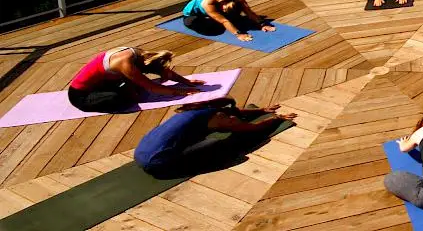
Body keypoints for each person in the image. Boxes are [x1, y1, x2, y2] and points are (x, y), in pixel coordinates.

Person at [133, 97, 296, 178]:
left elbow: (238, 113)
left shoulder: (197, 111)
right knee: (216, 144)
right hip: (158, 165)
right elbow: (250, 128)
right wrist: (277, 119)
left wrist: (261, 110)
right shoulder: (218, 117)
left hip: (140, 153)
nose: (232, 118)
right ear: (223, 113)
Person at [66, 48, 203, 113]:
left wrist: (186, 81)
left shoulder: (140, 54)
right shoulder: (125, 63)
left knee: (137, 89)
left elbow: (162, 70)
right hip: (81, 96)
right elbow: (153, 88)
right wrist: (181, 92)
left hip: (103, 83)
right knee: (121, 99)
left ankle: (123, 89)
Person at [181, 0, 275, 42]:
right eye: (224, 9)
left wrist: (262, 24)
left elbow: (249, 12)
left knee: (236, 20)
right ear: (221, 3)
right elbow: (224, 20)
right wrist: (239, 34)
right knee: (215, 30)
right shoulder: (208, 3)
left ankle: (219, 18)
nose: (223, 11)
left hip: (213, 13)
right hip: (193, 16)